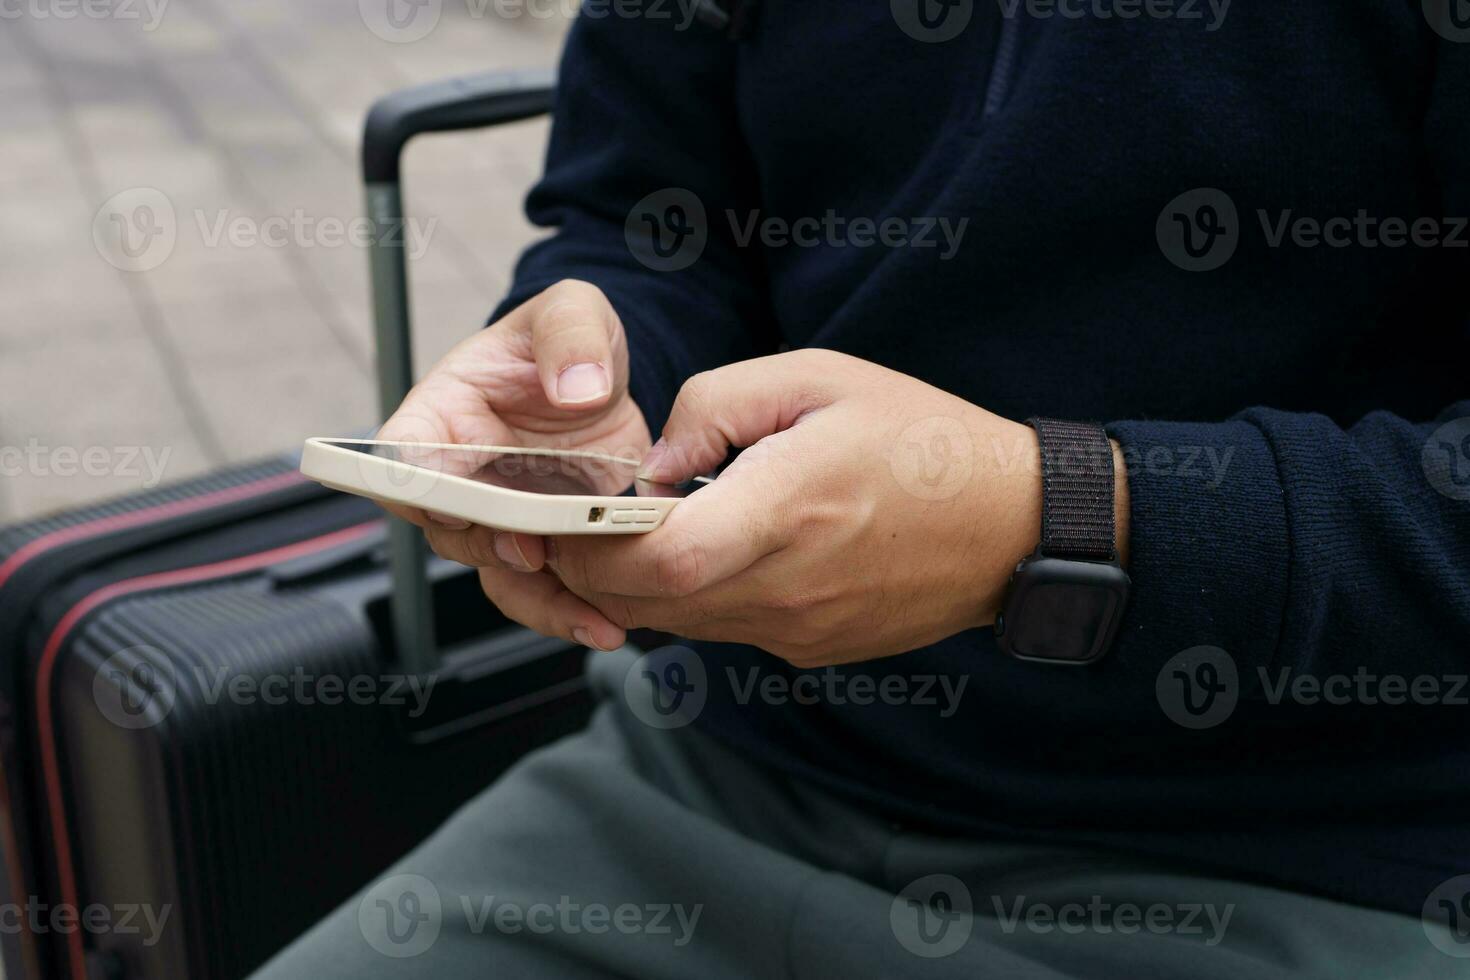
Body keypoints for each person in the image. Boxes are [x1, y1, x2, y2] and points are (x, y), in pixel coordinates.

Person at [255, 3, 1470, 976]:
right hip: (707, 776)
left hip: (1300, 859)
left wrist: (1053, 525)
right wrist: (598, 378)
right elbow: (639, 214)